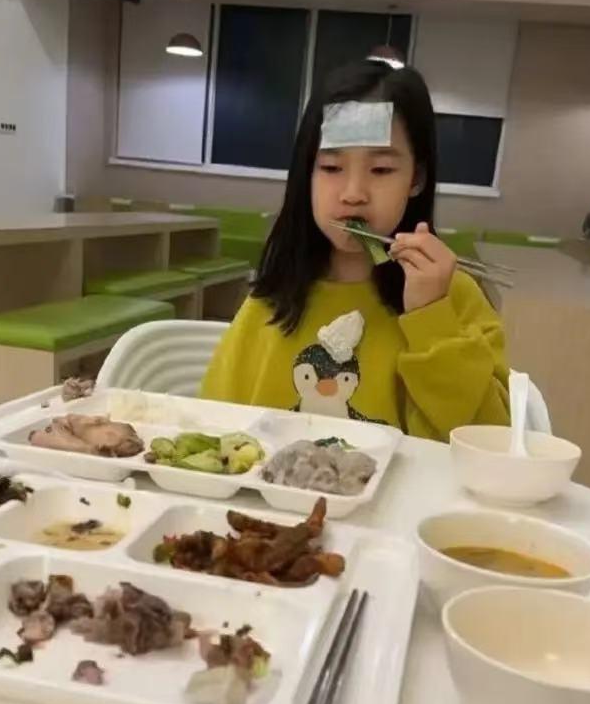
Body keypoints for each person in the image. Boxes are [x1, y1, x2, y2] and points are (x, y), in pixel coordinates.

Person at [200, 60, 510, 441]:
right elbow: (213, 429)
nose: (353, 193)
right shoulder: (273, 297)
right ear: (307, 174)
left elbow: (492, 445)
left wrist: (431, 318)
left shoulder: (453, 296)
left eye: (381, 170)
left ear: (416, 178)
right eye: (331, 167)